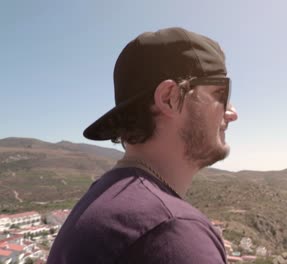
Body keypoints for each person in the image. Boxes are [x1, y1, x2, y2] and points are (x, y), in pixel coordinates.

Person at [47, 27, 238, 264]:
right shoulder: (170, 232)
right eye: (221, 93)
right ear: (170, 97)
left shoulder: (105, 198)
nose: (232, 113)